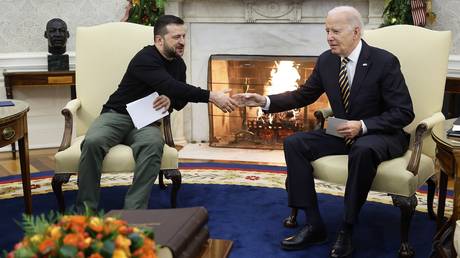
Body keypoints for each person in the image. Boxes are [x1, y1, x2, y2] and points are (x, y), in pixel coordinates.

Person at [233, 6, 414, 257]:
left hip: (381, 133)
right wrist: (264, 101)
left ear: (356, 32)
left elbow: (404, 112)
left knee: (362, 149)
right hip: (341, 128)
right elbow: (303, 95)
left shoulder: (384, 61)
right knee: (295, 143)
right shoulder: (327, 60)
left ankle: (347, 228)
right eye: (327, 30)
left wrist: (363, 126)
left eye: (336, 31)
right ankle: (314, 223)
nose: (329, 36)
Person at [76, 15, 237, 212]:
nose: (182, 42)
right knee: (92, 141)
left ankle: (133, 213)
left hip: (146, 123)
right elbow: (168, 84)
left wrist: (170, 100)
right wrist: (211, 96)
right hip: (116, 115)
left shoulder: (179, 64)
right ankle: (84, 210)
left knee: (153, 145)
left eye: (184, 36)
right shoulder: (145, 58)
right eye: (176, 37)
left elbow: (179, 96)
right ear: (159, 40)